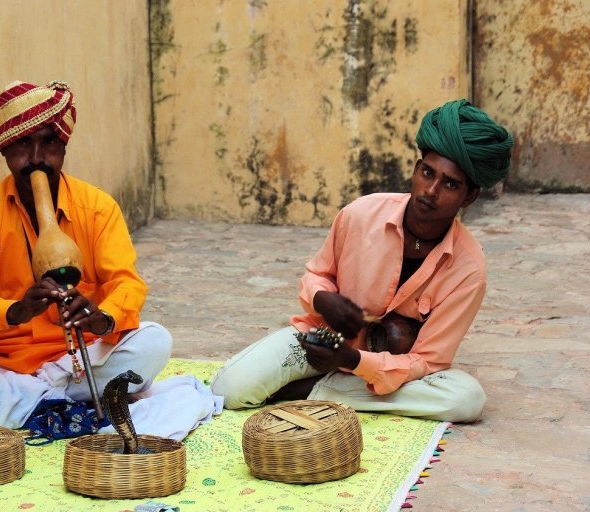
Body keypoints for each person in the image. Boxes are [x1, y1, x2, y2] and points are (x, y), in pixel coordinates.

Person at [211, 99, 513, 423]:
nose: (431, 190)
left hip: (393, 370)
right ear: (415, 169)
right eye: (427, 173)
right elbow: (316, 276)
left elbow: (428, 361)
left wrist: (355, 361)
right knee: (229, 388)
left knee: (466, 400)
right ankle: (340, 388)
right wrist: (323, 299)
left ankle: (315, 392)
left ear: (469, 196)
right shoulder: (361, 214)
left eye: (450, 184)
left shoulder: (469, 270)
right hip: (321, 344)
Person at [0, 80, 172, 429]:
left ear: (63, 146)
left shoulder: (97, 208)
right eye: (21, 146)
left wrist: (101, 317)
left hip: (79, 359)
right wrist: (18, 310)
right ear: (4, 152)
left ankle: (34, 405)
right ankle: (71, 403)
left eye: (48, 142)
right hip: (2, 364)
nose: (35, 159)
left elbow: (127, 284)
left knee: (154, 341)